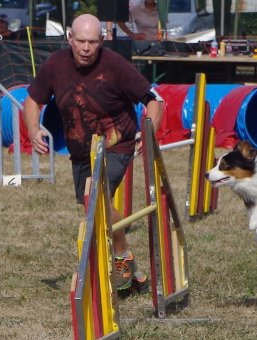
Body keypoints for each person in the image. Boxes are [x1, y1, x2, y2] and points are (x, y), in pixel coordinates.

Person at [23, 14, 164, 295]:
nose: (86, 48)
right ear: (70, 39)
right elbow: (32, 100)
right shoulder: (55, 65)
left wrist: (150, 131)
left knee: (96, 197)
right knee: (89, 204)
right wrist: (33, 129)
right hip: (81, 151)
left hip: (117, 144)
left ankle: (122, 257)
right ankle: (135, 277)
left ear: (101, 41)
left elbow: (154, 100)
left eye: (92, 42)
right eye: (81, 42)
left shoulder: (115, 65)